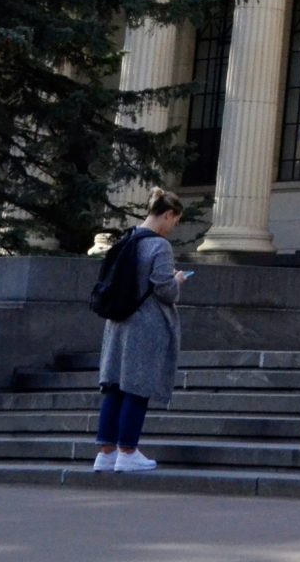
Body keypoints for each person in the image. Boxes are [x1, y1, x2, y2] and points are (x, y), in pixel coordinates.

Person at [94, 190, 188, 474]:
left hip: (118, 321)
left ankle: (106, 453)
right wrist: (177, 280)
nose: (172, 227)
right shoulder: (159, 246)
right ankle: (128, 451)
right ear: (167, 215)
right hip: (145, 325)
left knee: (114, 386)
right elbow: (163, 288)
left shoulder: (127, 239)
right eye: (175, 221)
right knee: (137, 386)